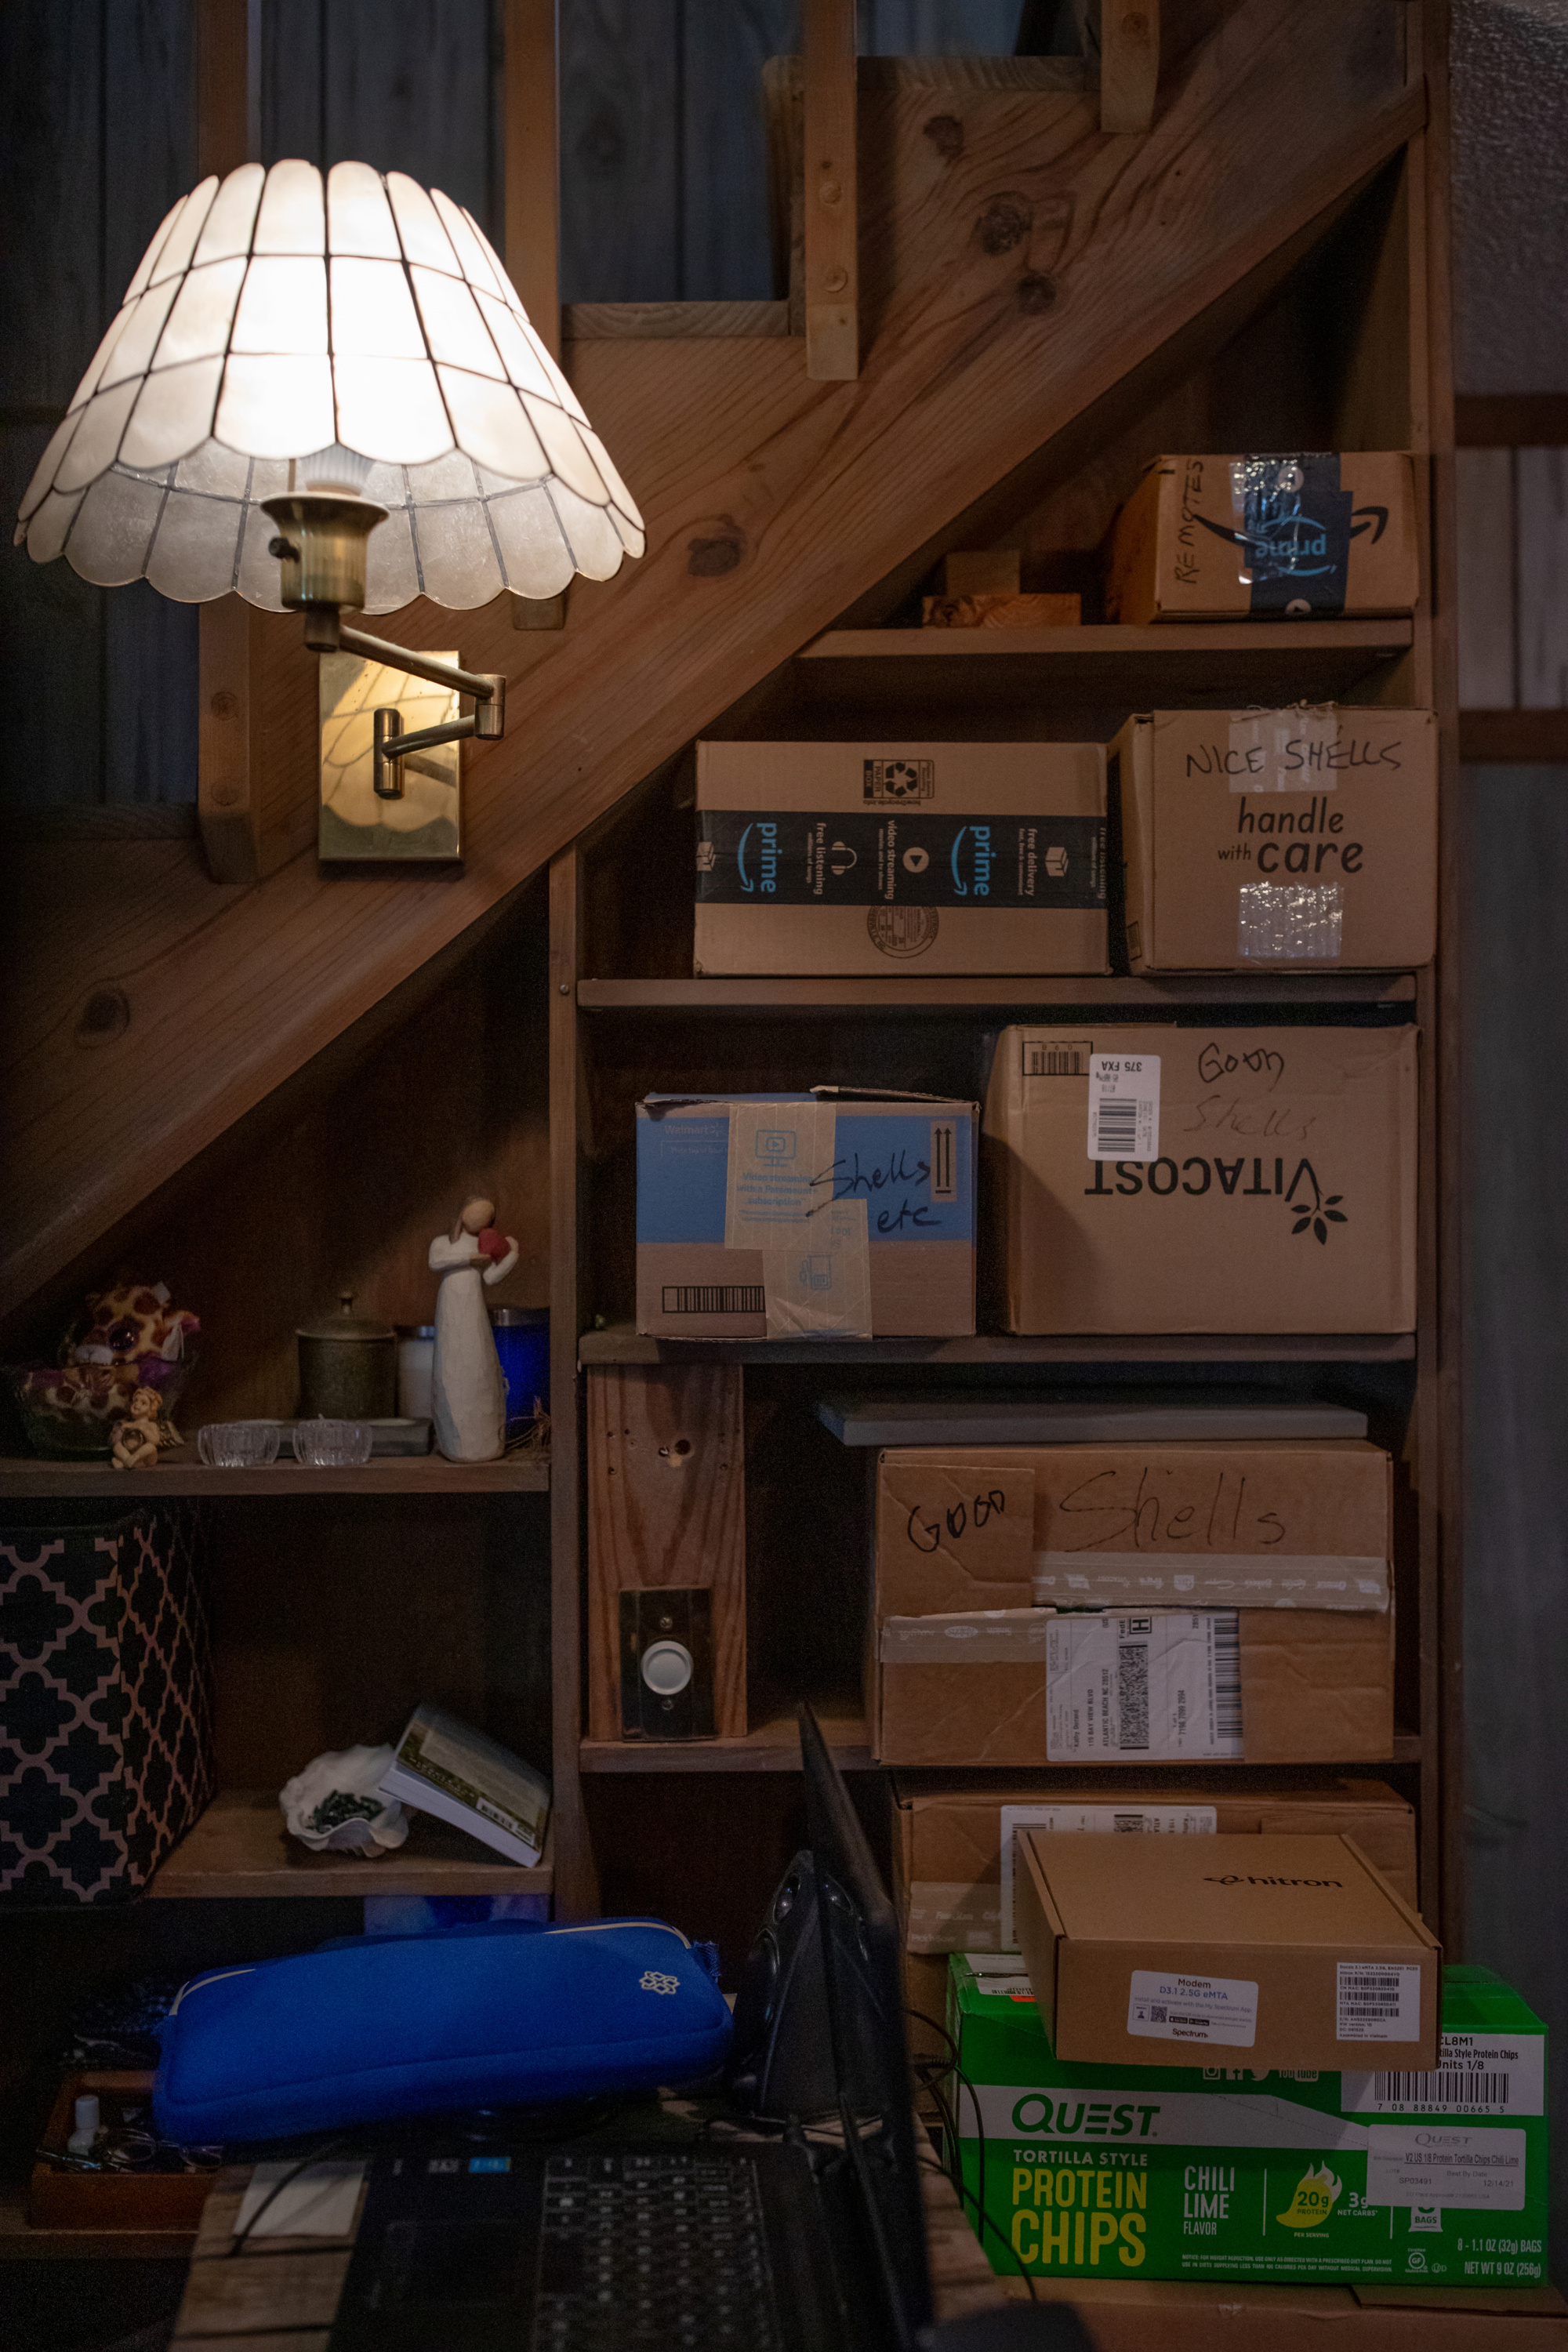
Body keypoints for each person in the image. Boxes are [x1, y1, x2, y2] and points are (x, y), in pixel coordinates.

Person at [427, 1197, 518, 1461]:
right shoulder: (442, 1243)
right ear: (464, 1210)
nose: (480, 1216)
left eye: (487, 1215)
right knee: (450, 1363)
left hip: (473, 1307)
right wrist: (471, 1258)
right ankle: (454, 1441)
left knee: (477, 1359)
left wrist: (511, 1254)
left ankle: (485, 1441)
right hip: (450, 1306)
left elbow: (491, 1277)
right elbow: (436, 1262)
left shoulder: (483, 1244)